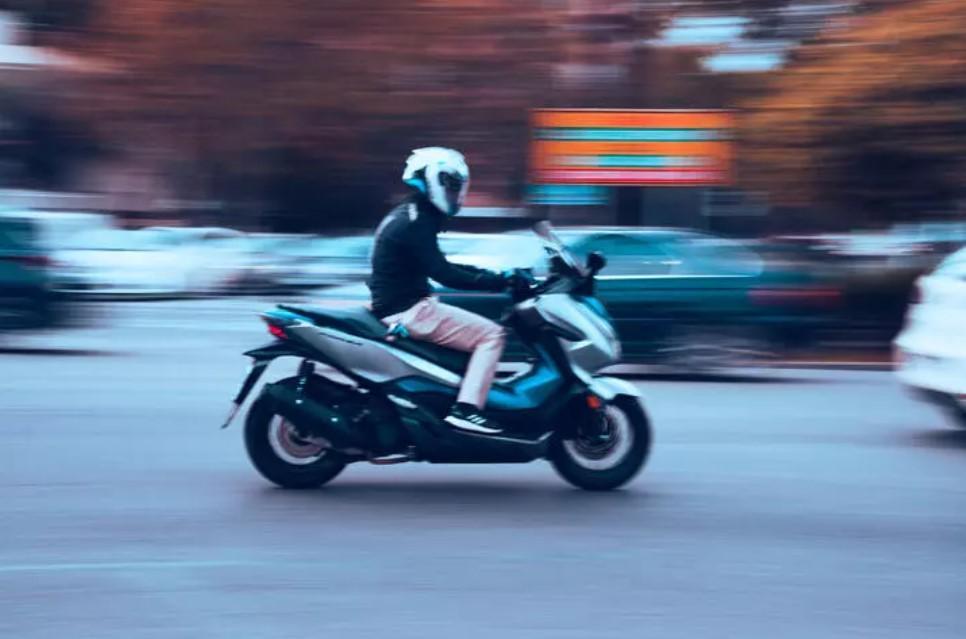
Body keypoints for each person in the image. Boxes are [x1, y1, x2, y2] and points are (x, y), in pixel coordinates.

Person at [368, 147, 511, 435]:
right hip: (410, 310)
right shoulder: (416, 221)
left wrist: (498, 276)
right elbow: (445, 274)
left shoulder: (412, 213)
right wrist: (498, 283)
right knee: (492, 335)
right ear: (433, 179)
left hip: (398, 305)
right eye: (453, 185)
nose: (457, 193)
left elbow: (441, 264)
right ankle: (466, 409)